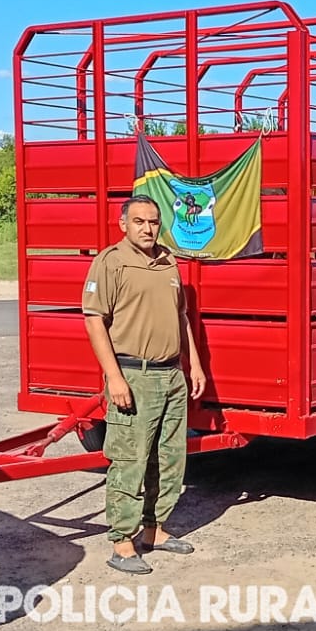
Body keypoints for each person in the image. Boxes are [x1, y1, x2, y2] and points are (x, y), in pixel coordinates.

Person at [82, 195, 207, 574]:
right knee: (130, 460)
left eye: (153, 222)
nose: (148, 229)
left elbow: (181, 316)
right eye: (139, 222)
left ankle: (155, 530)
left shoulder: (168, 261)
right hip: (133, 374)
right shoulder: (111, 262)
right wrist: (115, 377)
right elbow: (93, 320)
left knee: (170, 458)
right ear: (123, 224)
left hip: (171, 374)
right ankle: (122, 541)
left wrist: (194, 365)